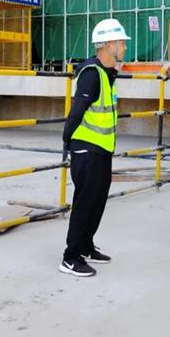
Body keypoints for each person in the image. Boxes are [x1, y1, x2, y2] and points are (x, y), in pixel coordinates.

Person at [59, 18, 129, 277]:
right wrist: (67, 142)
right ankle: (70, 257)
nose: (124, 47)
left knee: (97, 201)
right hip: (86, 149)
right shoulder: (92, 74)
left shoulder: (108, 74)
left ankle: (86, 246)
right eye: (121, 43)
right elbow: (76, 111)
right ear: (108, 44)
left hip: (102, 149)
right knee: (85, 203)